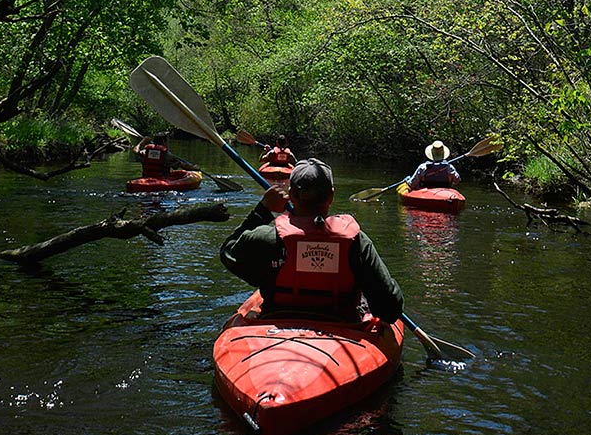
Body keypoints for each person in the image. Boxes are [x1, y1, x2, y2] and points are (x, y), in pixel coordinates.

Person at [219, 158, 404, 324]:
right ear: (331, 196)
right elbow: (389, 310)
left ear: (290, 195)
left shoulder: (266, 238)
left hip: (276, 323)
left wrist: (262, 210)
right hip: (343, 327)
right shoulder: (357, 242)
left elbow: (228, 251)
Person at [134, 132, 198, 177]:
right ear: (164, 142)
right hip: (161, 181)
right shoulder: (167, 155)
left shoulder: (145, 152)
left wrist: (142, 141)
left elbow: (135, 150)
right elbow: (183, 165)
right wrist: (194, 168)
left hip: (146, 178)